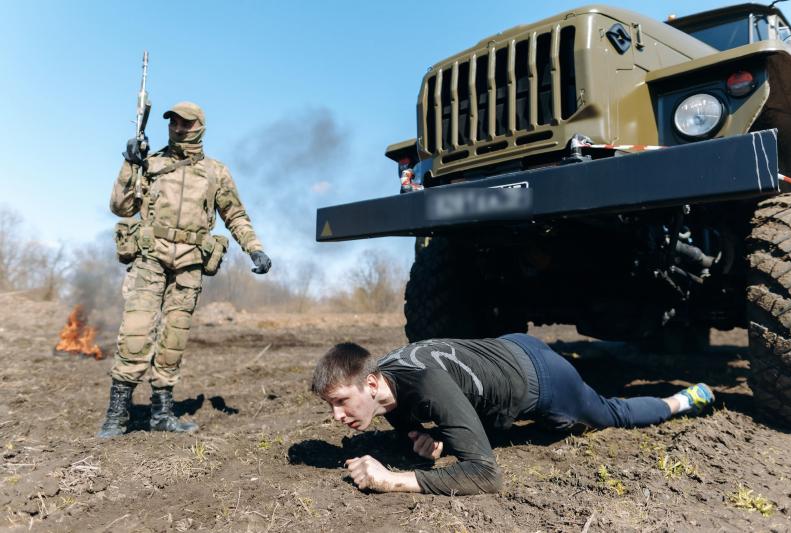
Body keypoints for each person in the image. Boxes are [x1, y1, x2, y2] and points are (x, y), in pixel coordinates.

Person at [311, 333, 715, 495]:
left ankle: (681, 400)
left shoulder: (425, 383)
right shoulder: (385, 388)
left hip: (545, 379)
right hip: (509, 347)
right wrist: (423, 437)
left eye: (341, 401)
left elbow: (486, 475)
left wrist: (392, 479)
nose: (336, 416)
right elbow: (411, 421)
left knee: (608, 414)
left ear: (370, 384)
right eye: (330, 405)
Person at [98, 101, 272, 438]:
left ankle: (162, 414)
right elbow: (120, 206)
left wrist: (255, 249)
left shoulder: (215, 172)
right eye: (174, 123)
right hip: (150, 258)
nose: (178, 128)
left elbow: (234, 215)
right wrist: (128, 162)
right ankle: (116, 416)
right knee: (135, 334)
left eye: (186, 124)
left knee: (174, 339)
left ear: (200, 127)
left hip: (190, 264)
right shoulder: (151, 162)